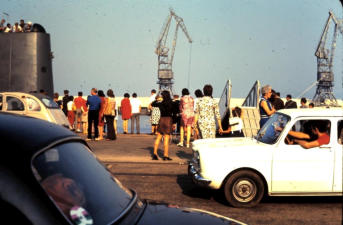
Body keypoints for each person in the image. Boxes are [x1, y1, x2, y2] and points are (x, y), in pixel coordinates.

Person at [151, 91, 174, 160]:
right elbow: (175, 111)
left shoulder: (160, 103)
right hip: (168, 120)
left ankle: (155, 154)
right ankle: (165, 155)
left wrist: (157, 99)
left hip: (161, 119)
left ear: (162, 96)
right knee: (166, 138)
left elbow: (153, 104)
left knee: (158, 137)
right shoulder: (171, 103)